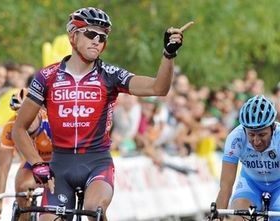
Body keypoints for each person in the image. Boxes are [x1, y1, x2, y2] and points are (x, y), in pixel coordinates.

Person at [12, 7, 193, 221]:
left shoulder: (110, 75)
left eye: (102, 37)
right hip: (60, 164)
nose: (97, 40)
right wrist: (37, 163)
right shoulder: (46, 77)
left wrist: (168, 55)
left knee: (93, 210)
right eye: (91, 34)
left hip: (97, 162)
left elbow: (158, 89)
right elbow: (19, 129)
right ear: (73, 36)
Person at [0, 88, 52, 221]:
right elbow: (3, 169)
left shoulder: (50, 122)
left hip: (57, 160)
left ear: (38, 110)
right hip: (32, 163)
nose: (22, 118)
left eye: (27, 112)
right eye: (18, 112)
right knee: (22, 188)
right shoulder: (11, 127)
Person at [214, 95, 280, 221]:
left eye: (262, 134)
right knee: (238, 217)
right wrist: (217, 217)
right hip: (251, 183)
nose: (256, 141)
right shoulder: (236, 138)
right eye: (251, 134)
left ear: (273, 128)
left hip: (278, 185)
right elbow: (226, 186)